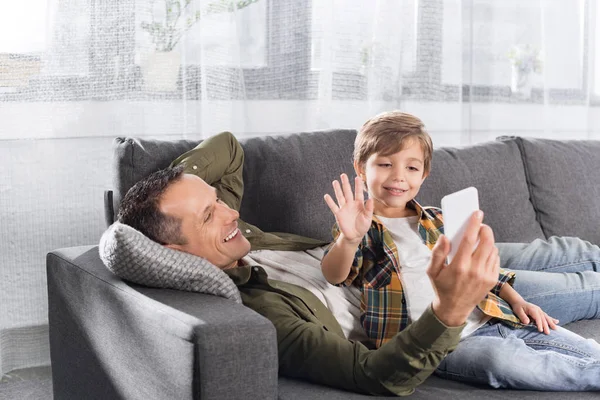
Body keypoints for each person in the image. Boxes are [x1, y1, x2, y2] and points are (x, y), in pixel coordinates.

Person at [117, 131, 600, 395]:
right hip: (410, 293)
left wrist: (169, 191)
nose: (232, 210)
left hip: (418, 247)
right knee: (581, 287)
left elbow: (227, 147)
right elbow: (374, 374)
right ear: (174, 254)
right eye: (209, 213)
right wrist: (449, 311)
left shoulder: (239, 236)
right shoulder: (262, 314)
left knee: (567, 254)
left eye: (217, 200)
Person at [320, 111, 600, 391]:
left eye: (412, 168)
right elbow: (335, 274)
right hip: (444, 343)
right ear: (361, 168)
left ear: (425, 174)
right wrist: (348, 238)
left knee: (581, 348)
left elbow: (483, 269)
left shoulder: (437, 219)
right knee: (501, 362)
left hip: (491, 314)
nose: (398, 176)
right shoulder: (359, 227)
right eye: (385, 164)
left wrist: (518, 301)